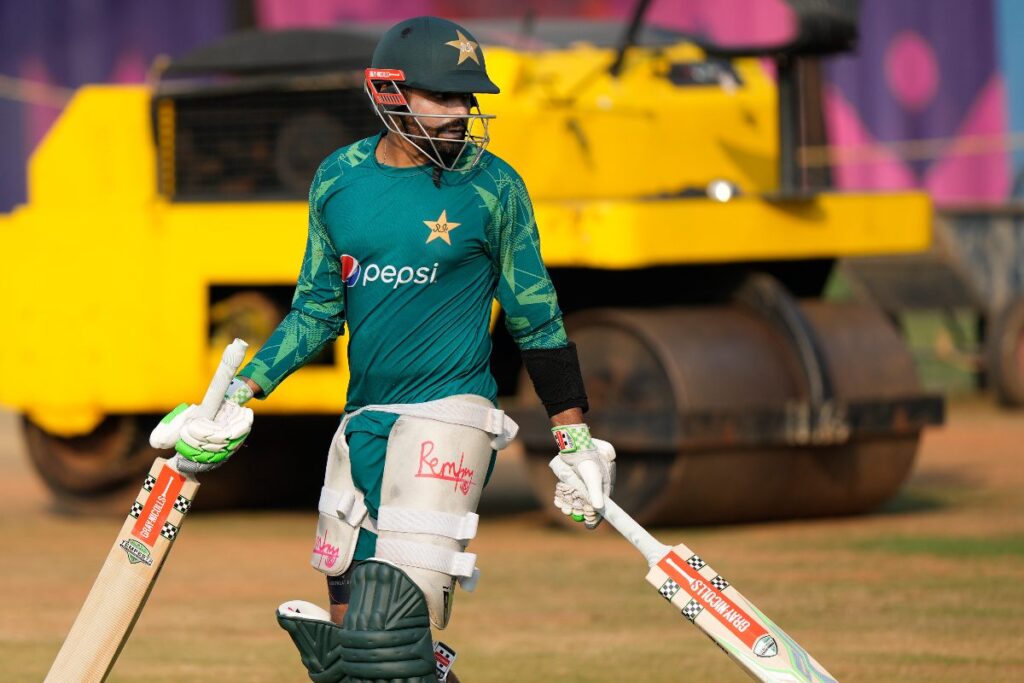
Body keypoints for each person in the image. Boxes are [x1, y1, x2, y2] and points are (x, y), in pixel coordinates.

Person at [149, 16, 616, 683]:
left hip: (449, 417)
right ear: (391, 93)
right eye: (446, 96)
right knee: (348, 650)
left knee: (384, 629)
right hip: (362, 420)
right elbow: (316, 309)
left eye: (469, 97)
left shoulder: (493, 186)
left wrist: (575, 437)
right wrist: (237, 395)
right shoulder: (338, 179)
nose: (464, 112)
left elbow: (534, 314)